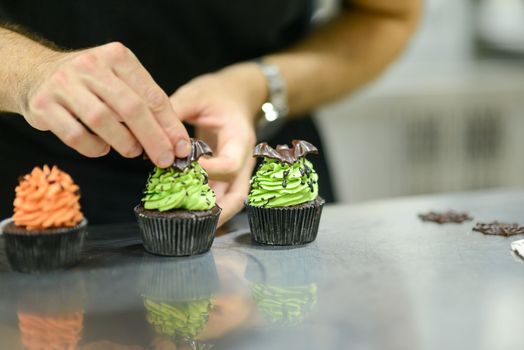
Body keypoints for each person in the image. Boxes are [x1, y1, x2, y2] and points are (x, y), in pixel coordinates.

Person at [0, 1, 420, 226]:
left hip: (256, 183)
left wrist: (256, 86)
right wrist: (28, 72)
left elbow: (388, 16)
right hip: (27, 183)